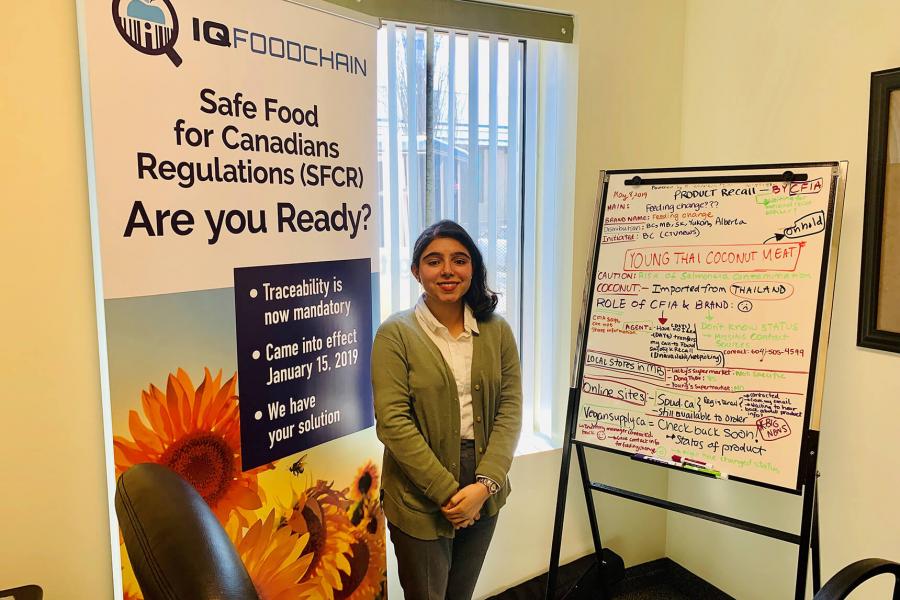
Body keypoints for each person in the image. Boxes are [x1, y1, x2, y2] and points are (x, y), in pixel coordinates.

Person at [372, 220, 522, 600]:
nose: (448, 270)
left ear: (473, 268)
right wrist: (449, 494)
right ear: (415, 271)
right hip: (419, 485)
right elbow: (392, 424)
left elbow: (510, 408)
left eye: (459, 259)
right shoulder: (395, 334)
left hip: (483, 480)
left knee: (461, 594)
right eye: (433, 261)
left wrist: (485, 485)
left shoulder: (497, 330)